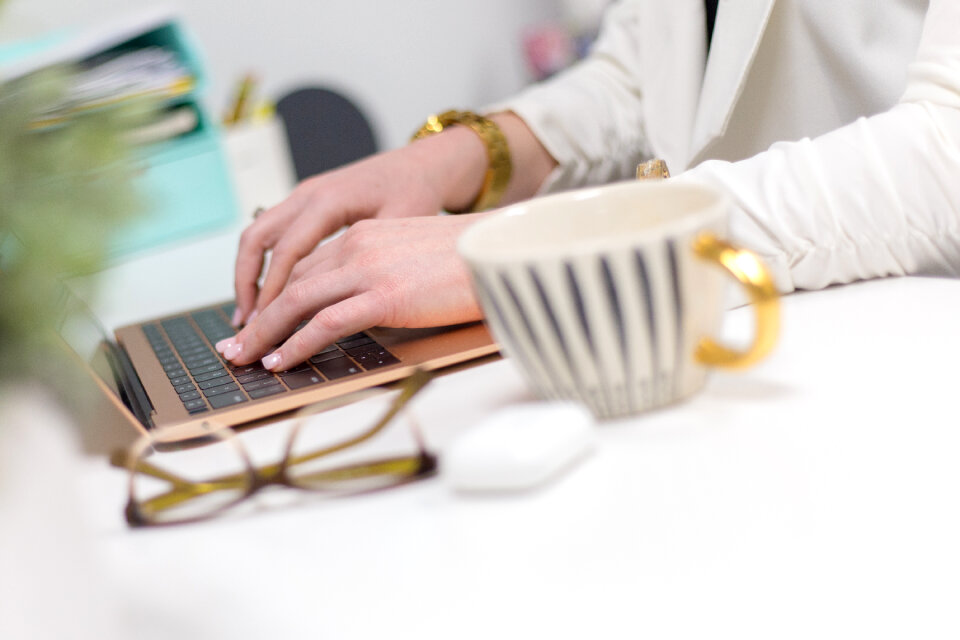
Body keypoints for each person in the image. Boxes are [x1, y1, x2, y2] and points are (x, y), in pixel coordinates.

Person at [216, 0, 960, 372]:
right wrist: (466, 152)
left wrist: (541, 245)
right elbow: (650, 71)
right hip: (715, 347)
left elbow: (945, 155)